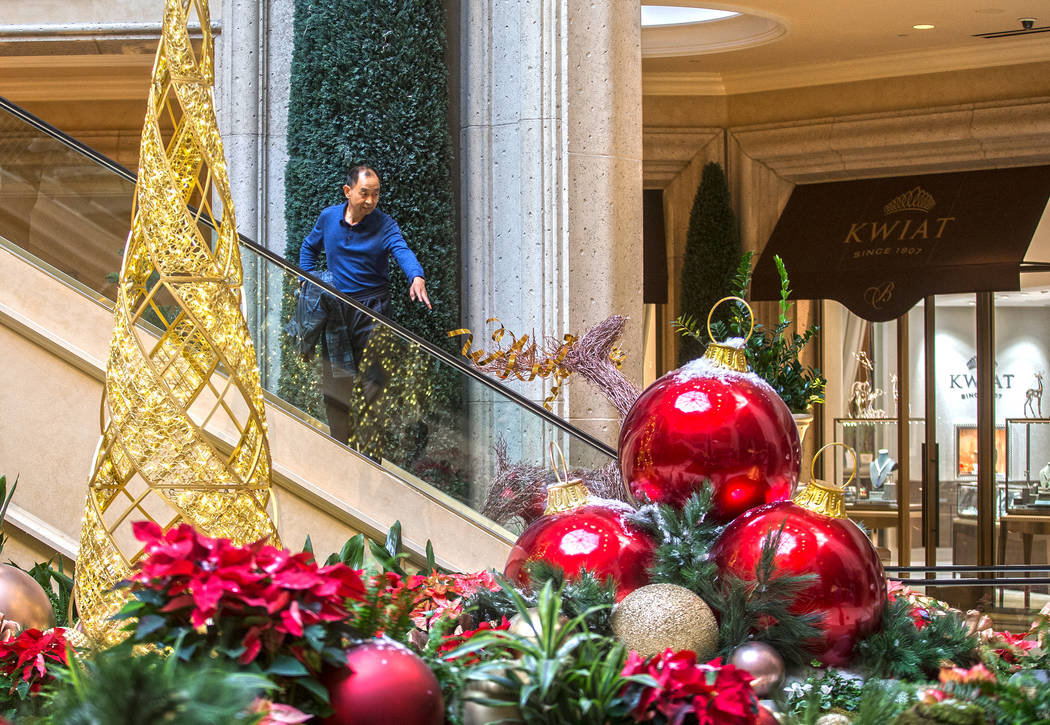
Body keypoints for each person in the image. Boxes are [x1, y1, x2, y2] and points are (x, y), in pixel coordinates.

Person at [299, 164, 431, 445]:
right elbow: (309, 247)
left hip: (374, 312)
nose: (371, 201)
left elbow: (401, 249)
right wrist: (307, 278)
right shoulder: (328, 218)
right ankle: (340, 450)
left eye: (376, 194)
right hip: (337, 311)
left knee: (374, 386)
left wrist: (416, 276)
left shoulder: (384, 224)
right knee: (336, 386)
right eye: (364, 194)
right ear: (348, 191)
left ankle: (371, 459)